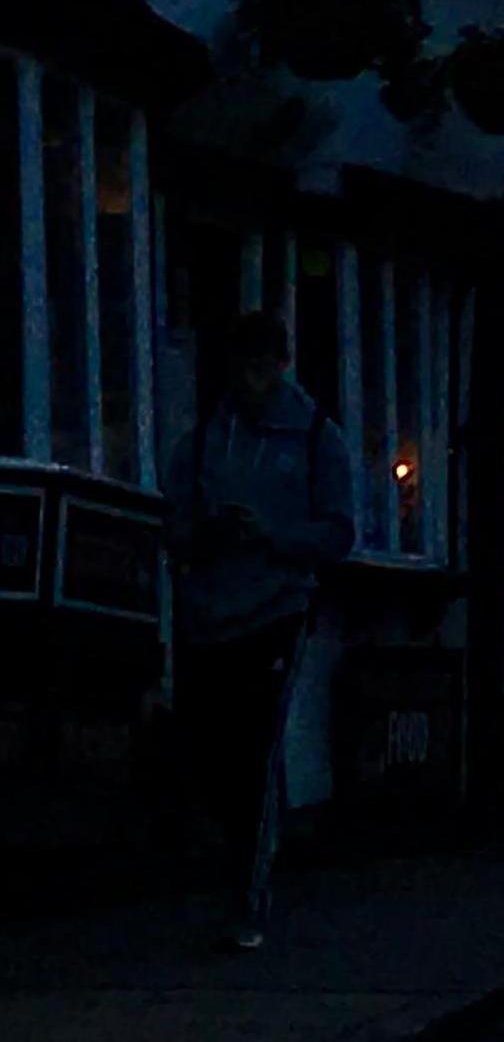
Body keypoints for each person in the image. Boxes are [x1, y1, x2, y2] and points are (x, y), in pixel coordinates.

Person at [165, 310, 357, 949]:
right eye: (240, 365)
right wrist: (205, 535)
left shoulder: (314, 439)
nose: (249, 380)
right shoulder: (200, 443)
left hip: (277, 612)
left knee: (253, 753)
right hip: (210, 617)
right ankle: (234, 867)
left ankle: (248, 898)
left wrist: (272, 537)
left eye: (260, 365)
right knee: (212, 755)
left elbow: (338, 533)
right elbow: (174, 527)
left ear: (280, 365)